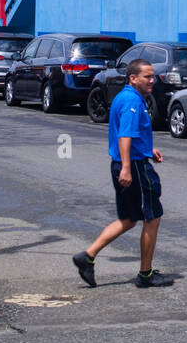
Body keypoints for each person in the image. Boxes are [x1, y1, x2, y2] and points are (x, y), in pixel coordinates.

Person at [73, 59, 174, 288]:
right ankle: (145, 275)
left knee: (128, 219)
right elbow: (125, 136)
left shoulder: (124, 97)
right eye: (147, 77)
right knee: (152, 216)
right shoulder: (131, 101)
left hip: (128, 161)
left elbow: (129, 133)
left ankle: (87, 257)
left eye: (152, 76)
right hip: (134, 167)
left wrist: (149, 149)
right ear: (133, 78)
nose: (152, 80)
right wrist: (128, 167)